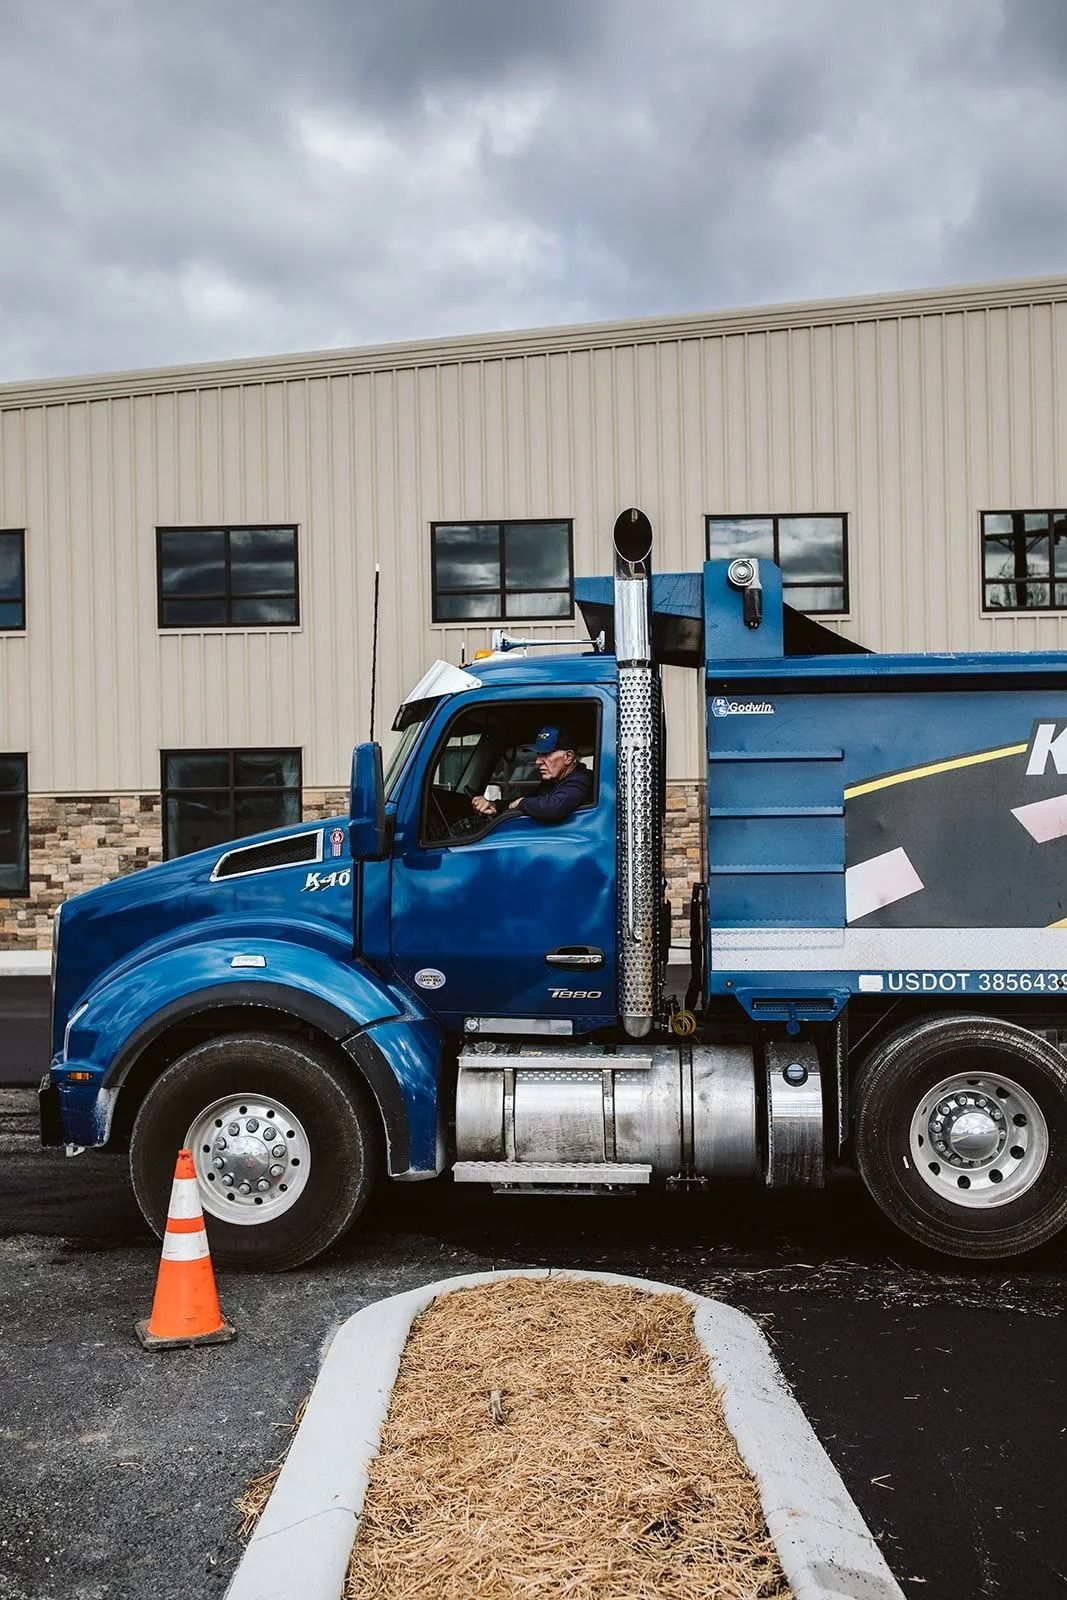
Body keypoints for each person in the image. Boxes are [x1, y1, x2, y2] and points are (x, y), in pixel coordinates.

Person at [472, 724, 593, 824]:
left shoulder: (582, 780)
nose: (537, 761)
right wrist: (494, 806)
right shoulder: (551, 783)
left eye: (546, 754)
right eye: (538, 755)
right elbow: (530, 800)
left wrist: (521, 803)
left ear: (568, 757)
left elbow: (554, 807)